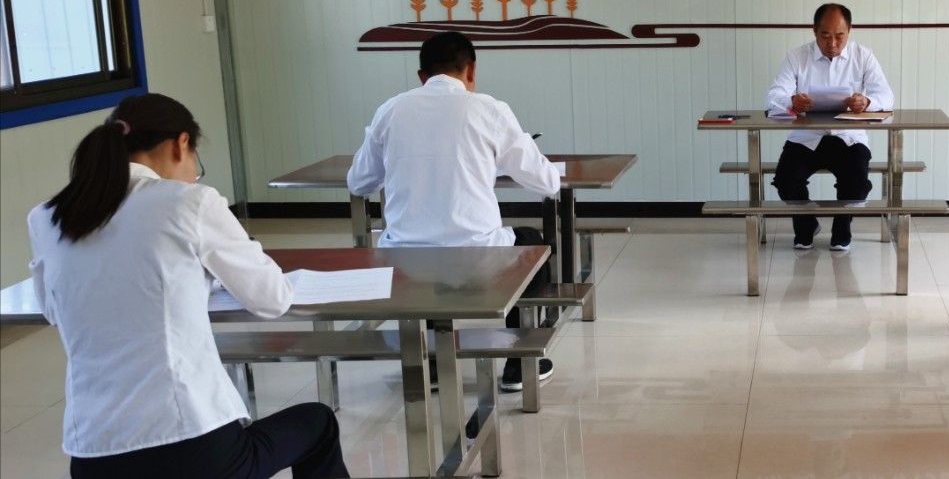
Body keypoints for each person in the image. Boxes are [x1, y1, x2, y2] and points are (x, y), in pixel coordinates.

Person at [27, 94, 349, 479]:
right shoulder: (190, 201)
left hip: (92, 454)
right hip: (190, 446)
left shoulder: (46, 216)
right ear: (181, 144)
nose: (194, 172)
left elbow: (54, 311)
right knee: (318, 423)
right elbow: (272, 299)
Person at [349, 30, 562, 392]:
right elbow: (547, 182)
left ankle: (431, 363)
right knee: (532, 242)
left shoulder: (391, 110)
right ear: (471, 70)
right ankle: (519, 362)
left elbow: (358, 182)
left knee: (427, 250)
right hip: (480, 263)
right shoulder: (489, 109)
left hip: (404, 266)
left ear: (422, 76)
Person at [766, 3, 895, 252]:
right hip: (807, 136)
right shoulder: (797, 57)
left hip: (848, 137)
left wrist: (867, 101)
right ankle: (806, 225)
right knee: (785, 180)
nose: (832, 43)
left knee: (856, 182)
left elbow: (887, 96)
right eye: (825, 35)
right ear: (814, 31)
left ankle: (842, 228)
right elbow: (773, 97)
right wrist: (791, 101)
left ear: (849, 31)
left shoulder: (863, 56)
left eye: (839, 36)